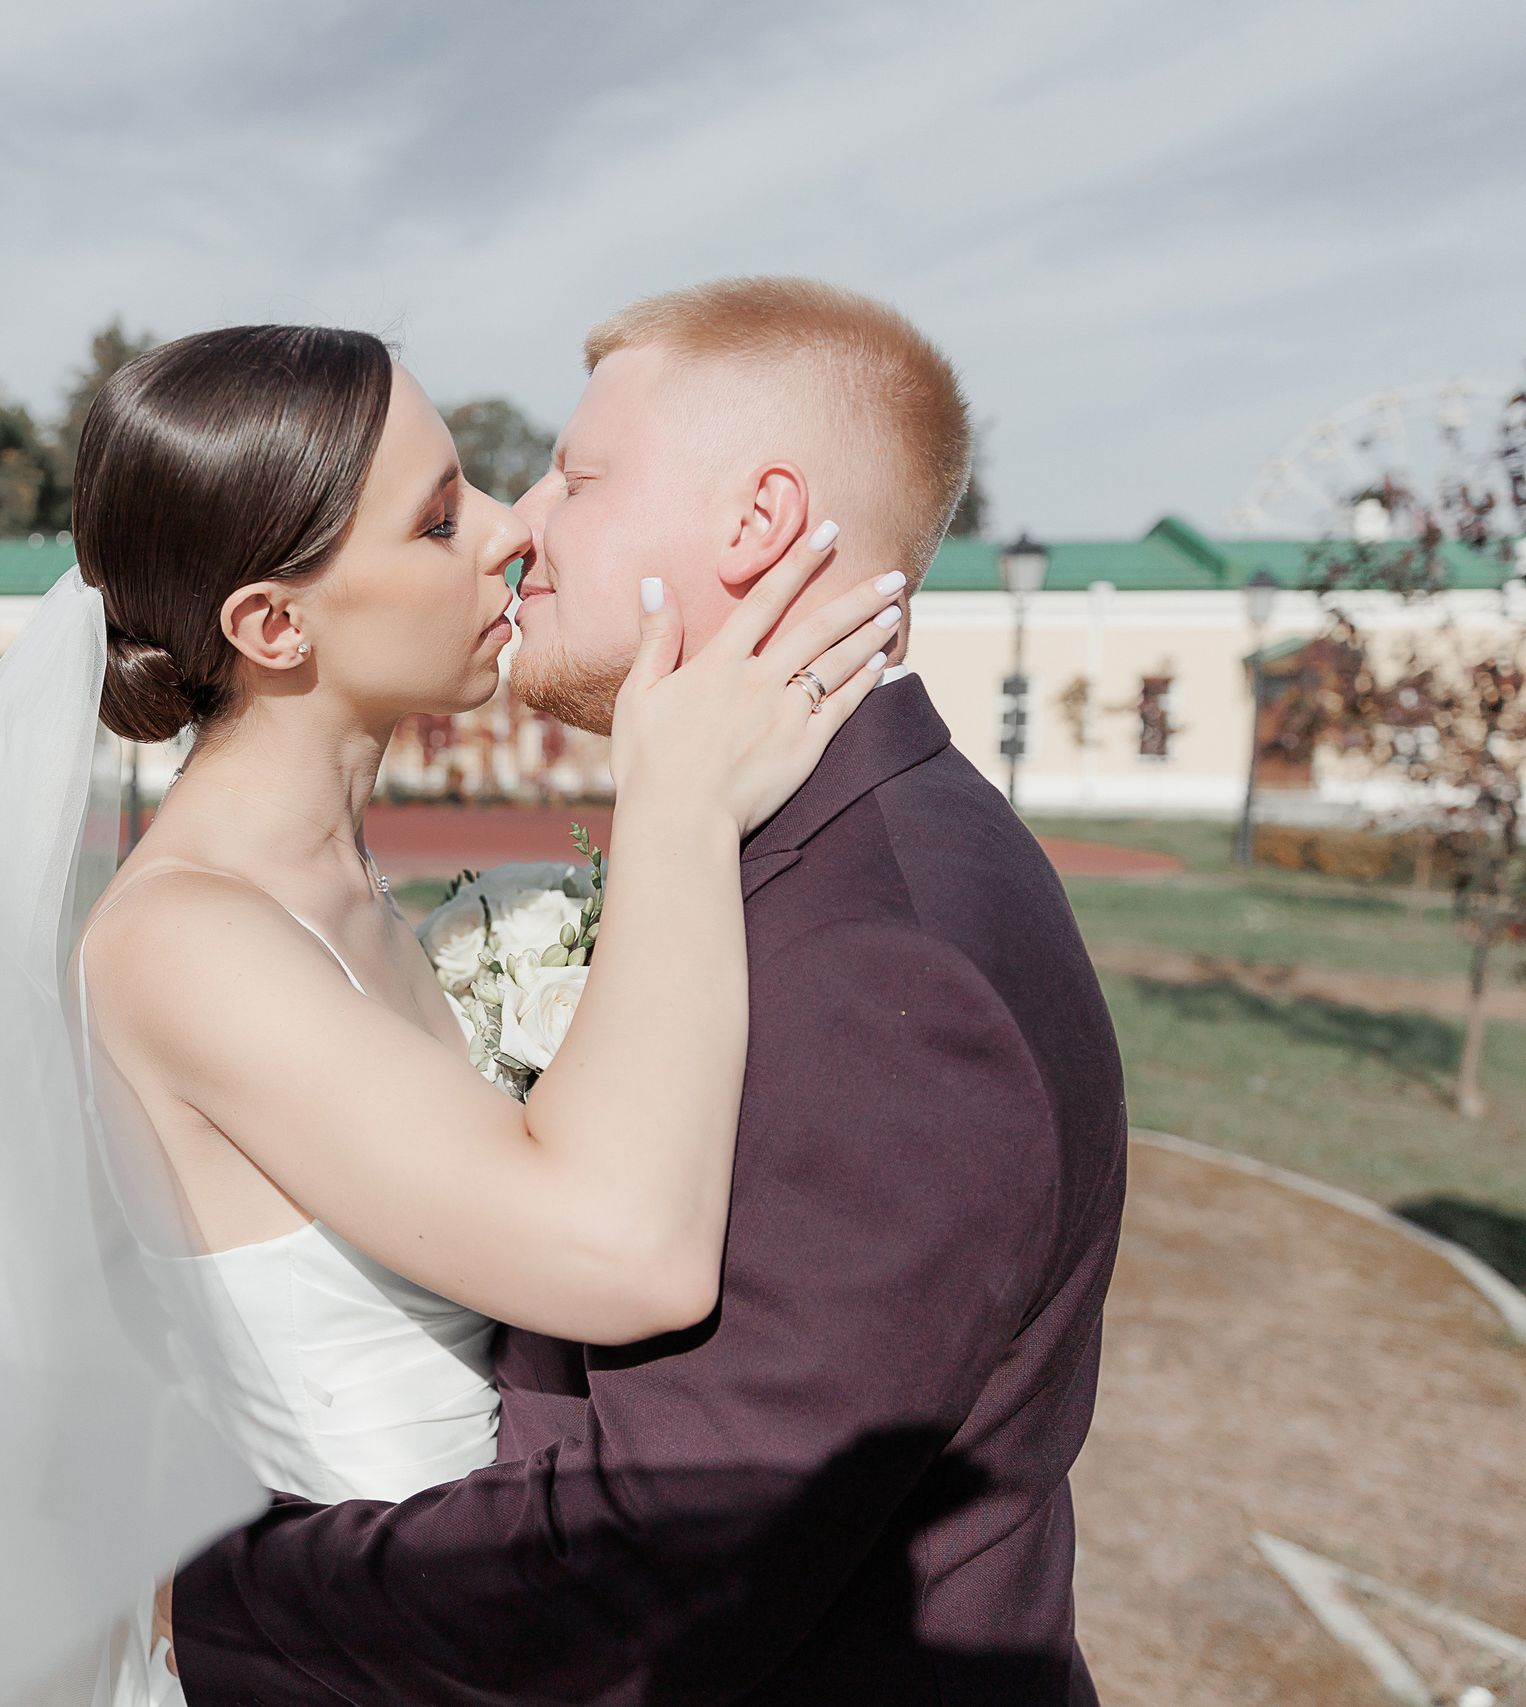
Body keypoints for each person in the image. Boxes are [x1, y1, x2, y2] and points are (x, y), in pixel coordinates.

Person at [161, 280, 1127, 1704]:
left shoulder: (888, 970)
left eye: (581, 474)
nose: (523, 522)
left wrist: (212, 1598)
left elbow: (655, 1566)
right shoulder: (796, 863)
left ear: (758, 523)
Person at [57, 320, 896, 1704]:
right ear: (274, 624)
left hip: (513, 1625)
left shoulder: (371, 901)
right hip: (377, 1649)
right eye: (441, 519)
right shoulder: (184, 943)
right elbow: (629, 1256)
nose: (515, 531)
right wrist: (676, 803)